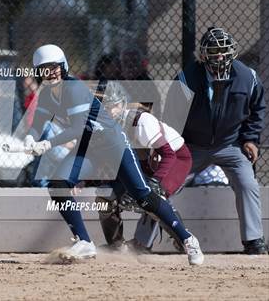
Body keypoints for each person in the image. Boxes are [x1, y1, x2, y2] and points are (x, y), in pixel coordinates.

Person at [24, 44, 204, 265]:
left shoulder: (74, 88)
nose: (50, 73)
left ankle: (187, 239)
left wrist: (47, 144)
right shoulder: (46, 96)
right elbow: (38, 123)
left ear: (63, 67)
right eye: (44, 69)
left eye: (53, 67)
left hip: (113, 144)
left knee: (144, 196)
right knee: (58, 184)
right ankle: (84, 242)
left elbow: (77, 128)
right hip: (90, 147)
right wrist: (30, 138)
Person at [164, 27, 267, 254]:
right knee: (161, 187)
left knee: (247, 183)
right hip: (192, 146)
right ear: (203, 55)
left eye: (223, 51)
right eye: (213, 51)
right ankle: (142, 242)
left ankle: (253, 241)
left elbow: (257, 110)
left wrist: (250, 139)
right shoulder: (186, 78)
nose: (219, 56)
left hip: (229, 144)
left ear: (232, 53)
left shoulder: (247, 77)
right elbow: (171, 116)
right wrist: (172, 147)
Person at [95, 82, 192, 253]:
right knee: (105, 196)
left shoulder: (140, 121)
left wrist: (156, 182)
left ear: (122, 104)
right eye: (102, 108)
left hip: (175, 159)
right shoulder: (104, 128)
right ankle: (116, 246)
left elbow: (169, 154)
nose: (108, 112)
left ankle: (183, 239)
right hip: (147, 161)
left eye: (112, 106)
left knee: (153, 197)